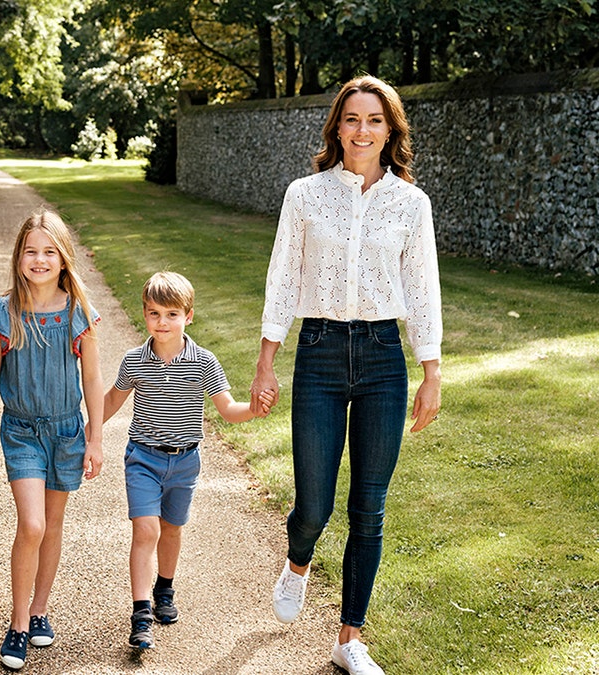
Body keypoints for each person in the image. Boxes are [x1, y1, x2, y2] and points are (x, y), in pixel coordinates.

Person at [250, 75, 442, 675]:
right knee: (313, 503)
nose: (363, 130)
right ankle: (299, 559)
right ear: (337, 127)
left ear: (392, 130)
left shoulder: (412, 205)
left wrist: (431, 370)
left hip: (384, 356)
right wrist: (265, 361)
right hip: (321, 352)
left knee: (370, 505)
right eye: (352, 119)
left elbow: (423, 290)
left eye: (375, 120)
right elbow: (283, 277)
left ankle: (349, 638)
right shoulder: (305, 195)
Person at [103, 271, 274, 651]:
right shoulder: (134, 361)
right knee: (145, 530)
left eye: (171, 314)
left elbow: (227, 409)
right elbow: (113, 400)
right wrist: (86, 432)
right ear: (144, 315)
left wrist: (254, 411)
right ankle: (141, 612)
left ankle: (164, 588)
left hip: (185, 463)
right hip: (143, 459)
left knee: (172, 529)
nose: (162, 323)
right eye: (153, 314)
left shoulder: (204, 362)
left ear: (189, 316)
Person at [0, 210, 105, 672]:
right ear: (18, 257)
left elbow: (92, 377)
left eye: (49, 251)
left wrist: (95, 437)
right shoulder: (4, 312)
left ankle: (40, 608)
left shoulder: (78, 313)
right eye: (31, 251)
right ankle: (17, 623)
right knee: (31, 525)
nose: (39, 259)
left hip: (68, 431)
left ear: (64, 258)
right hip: (23, 431)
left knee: (52, 524)